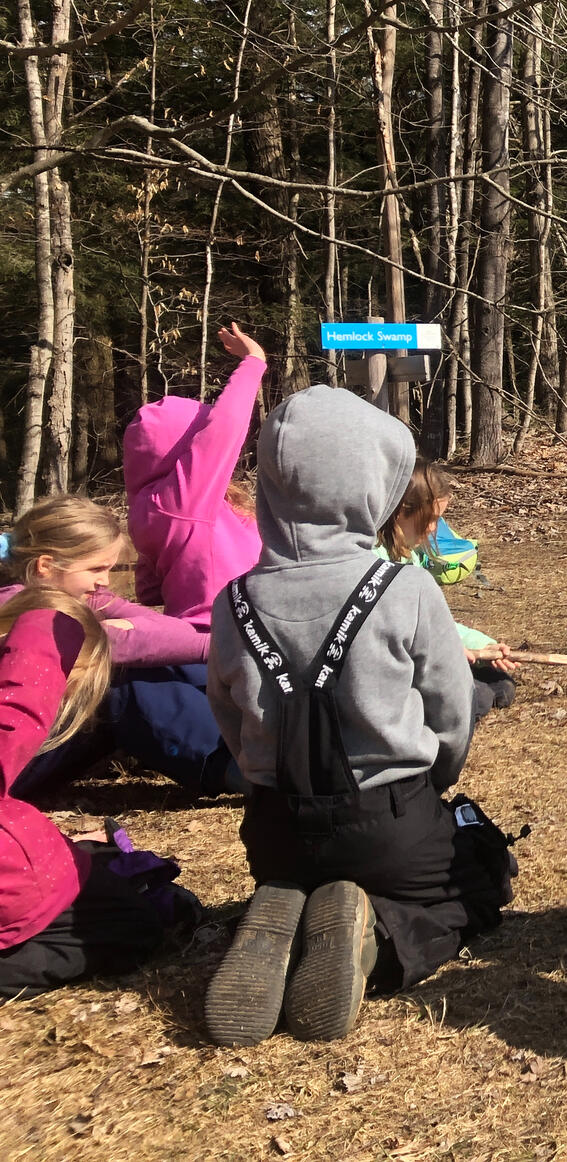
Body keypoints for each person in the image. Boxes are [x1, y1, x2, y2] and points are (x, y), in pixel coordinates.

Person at [203, 385, 516, 1047]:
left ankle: (284, 921)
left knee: (302, 867)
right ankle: (375, 933)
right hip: (389, 824)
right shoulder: (403, 588)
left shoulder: (233, 601)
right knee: (477, 886)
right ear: (373, 482)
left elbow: (227, 715)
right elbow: (451, 713)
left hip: (275, 831)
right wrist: (432, 780)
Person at [0, 587, 199, 996]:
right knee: (131, 929)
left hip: (29, 858)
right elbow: (16, 715)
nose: (101, 580)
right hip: (20, 889)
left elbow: (157, 627)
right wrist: (48, 635)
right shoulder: (29, 673)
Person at [0, 496, 227, 798]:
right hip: (11, 760)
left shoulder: (73, 595)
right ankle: (237, 769)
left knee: (169, 660)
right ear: (46, 566)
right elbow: (130, 645)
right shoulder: (18, 606)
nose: (103, 581)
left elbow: (172, 631)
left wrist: (111, 617)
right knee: (120, 679)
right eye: (95, 569)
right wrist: (230, 649)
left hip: (30, 747)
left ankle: (252, 750)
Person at [123, 321, 268, 628]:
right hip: (223, 639)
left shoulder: (155, 506)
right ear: (182, 451)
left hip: (222, 636)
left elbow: (148, 590)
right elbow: (226, 425)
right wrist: (254, 360)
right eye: (200, 436)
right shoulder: (180, 501)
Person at [375, 458, 518, 721]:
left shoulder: (410, 558)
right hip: (391, 668)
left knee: (500, 683)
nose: (433, 529)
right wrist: (441, 651)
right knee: (479, 695)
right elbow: (392, 633)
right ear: (399, 511)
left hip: (423, 656)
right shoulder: (373, 563)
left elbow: (434, 620)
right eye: (431, 519)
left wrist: (482, 645)